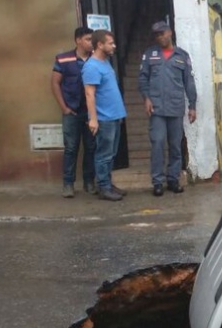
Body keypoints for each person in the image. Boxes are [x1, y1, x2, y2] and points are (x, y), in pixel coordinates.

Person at [139, 21, 197, 197]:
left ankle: (173, 179)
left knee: (175, 146)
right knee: (157, 143)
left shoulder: (182, 55)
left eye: (162, 33)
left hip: (175, 106)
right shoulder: (150, 55)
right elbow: (143, 79)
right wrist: (146, 98)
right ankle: (157, 182)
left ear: (170, 32)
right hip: (156, 108)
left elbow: (189, 82)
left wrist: (192, 106)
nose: (160, 37)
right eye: (157, 35)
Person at [82, 30, 128, 201]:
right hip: (104, 118)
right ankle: (103, 187)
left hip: (114, 116)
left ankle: (108, 183)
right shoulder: (92, 66)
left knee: (112, 153)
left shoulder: (106, 63)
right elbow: (89, 94)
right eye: (110, 43)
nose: (114, 46)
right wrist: (93, 119)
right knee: (104, 154)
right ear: (99, 45)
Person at [51, 27, 96, 198]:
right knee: (71, 148)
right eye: (87, 39)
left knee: (91, 147)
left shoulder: (96, 59)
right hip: (71, 111)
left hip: (91, 112)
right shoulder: (64, 59)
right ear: (78, 40)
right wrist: (64, 107)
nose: (91, 42)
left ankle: (89, 182)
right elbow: (55, 83)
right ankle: (68, 184)